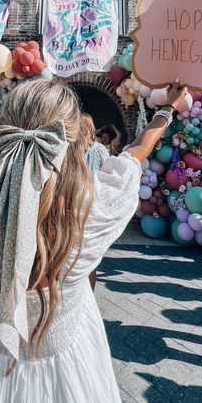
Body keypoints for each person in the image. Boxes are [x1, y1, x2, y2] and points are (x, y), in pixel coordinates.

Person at [0, 78, 187, 403]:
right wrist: (167, 109)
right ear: (75, 147)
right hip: (73, 374)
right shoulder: (92, 213)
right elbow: (134, 154)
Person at [77, 113, 110, 291]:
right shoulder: (101, 150)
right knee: (90, 256)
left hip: (74, 203)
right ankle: (89, 294)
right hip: (94, 204)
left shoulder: (70, 149)